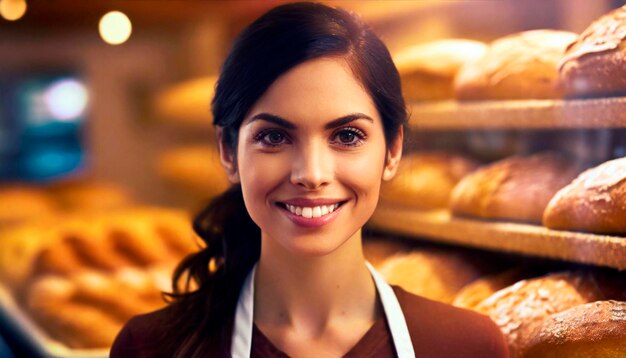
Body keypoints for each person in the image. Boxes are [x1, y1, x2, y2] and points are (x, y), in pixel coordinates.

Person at [111, 3, 509, 357]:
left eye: (346, 136)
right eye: (274, 137)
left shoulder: (468, 346)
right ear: (229, 152)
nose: (311, 175)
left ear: (392, 150)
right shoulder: (149, 348)